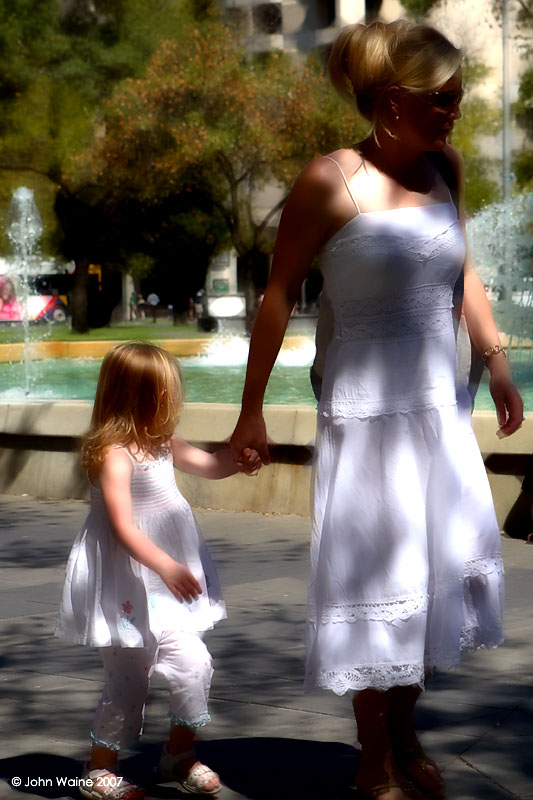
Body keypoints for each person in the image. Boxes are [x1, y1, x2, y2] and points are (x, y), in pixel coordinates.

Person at [230, 19, 524, 800]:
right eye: (445, 97)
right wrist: (250, 411)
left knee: (428, 579)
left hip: (438, 412)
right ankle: (372, 757)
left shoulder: (445, 167)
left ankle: (404, 728)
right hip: (365, 420)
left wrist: (495, 363)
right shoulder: (329, 181)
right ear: (394, 101)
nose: (456, 110)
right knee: (377, 585)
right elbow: (279, 294)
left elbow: (461, 275)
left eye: (459, 96)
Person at [56, 342, 260, 800]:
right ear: (140, 397)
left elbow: (209, 465)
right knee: (129, 681)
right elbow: (123, 526)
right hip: (127, 587)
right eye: (167, 392)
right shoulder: (113, 454)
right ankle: (100, 767)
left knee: (194, 664)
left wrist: (240, 461)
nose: (174, 400)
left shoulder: (162, 442)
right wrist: (166, 563)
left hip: (170, 589)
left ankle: (178, 754)